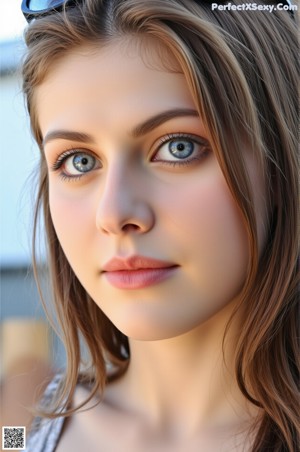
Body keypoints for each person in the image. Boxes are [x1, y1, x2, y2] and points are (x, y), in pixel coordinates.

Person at [20, 0, 298, 450]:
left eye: (179, 148)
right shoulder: (20, 427)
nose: (113, 215)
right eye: (79, 160)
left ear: (283, 154)